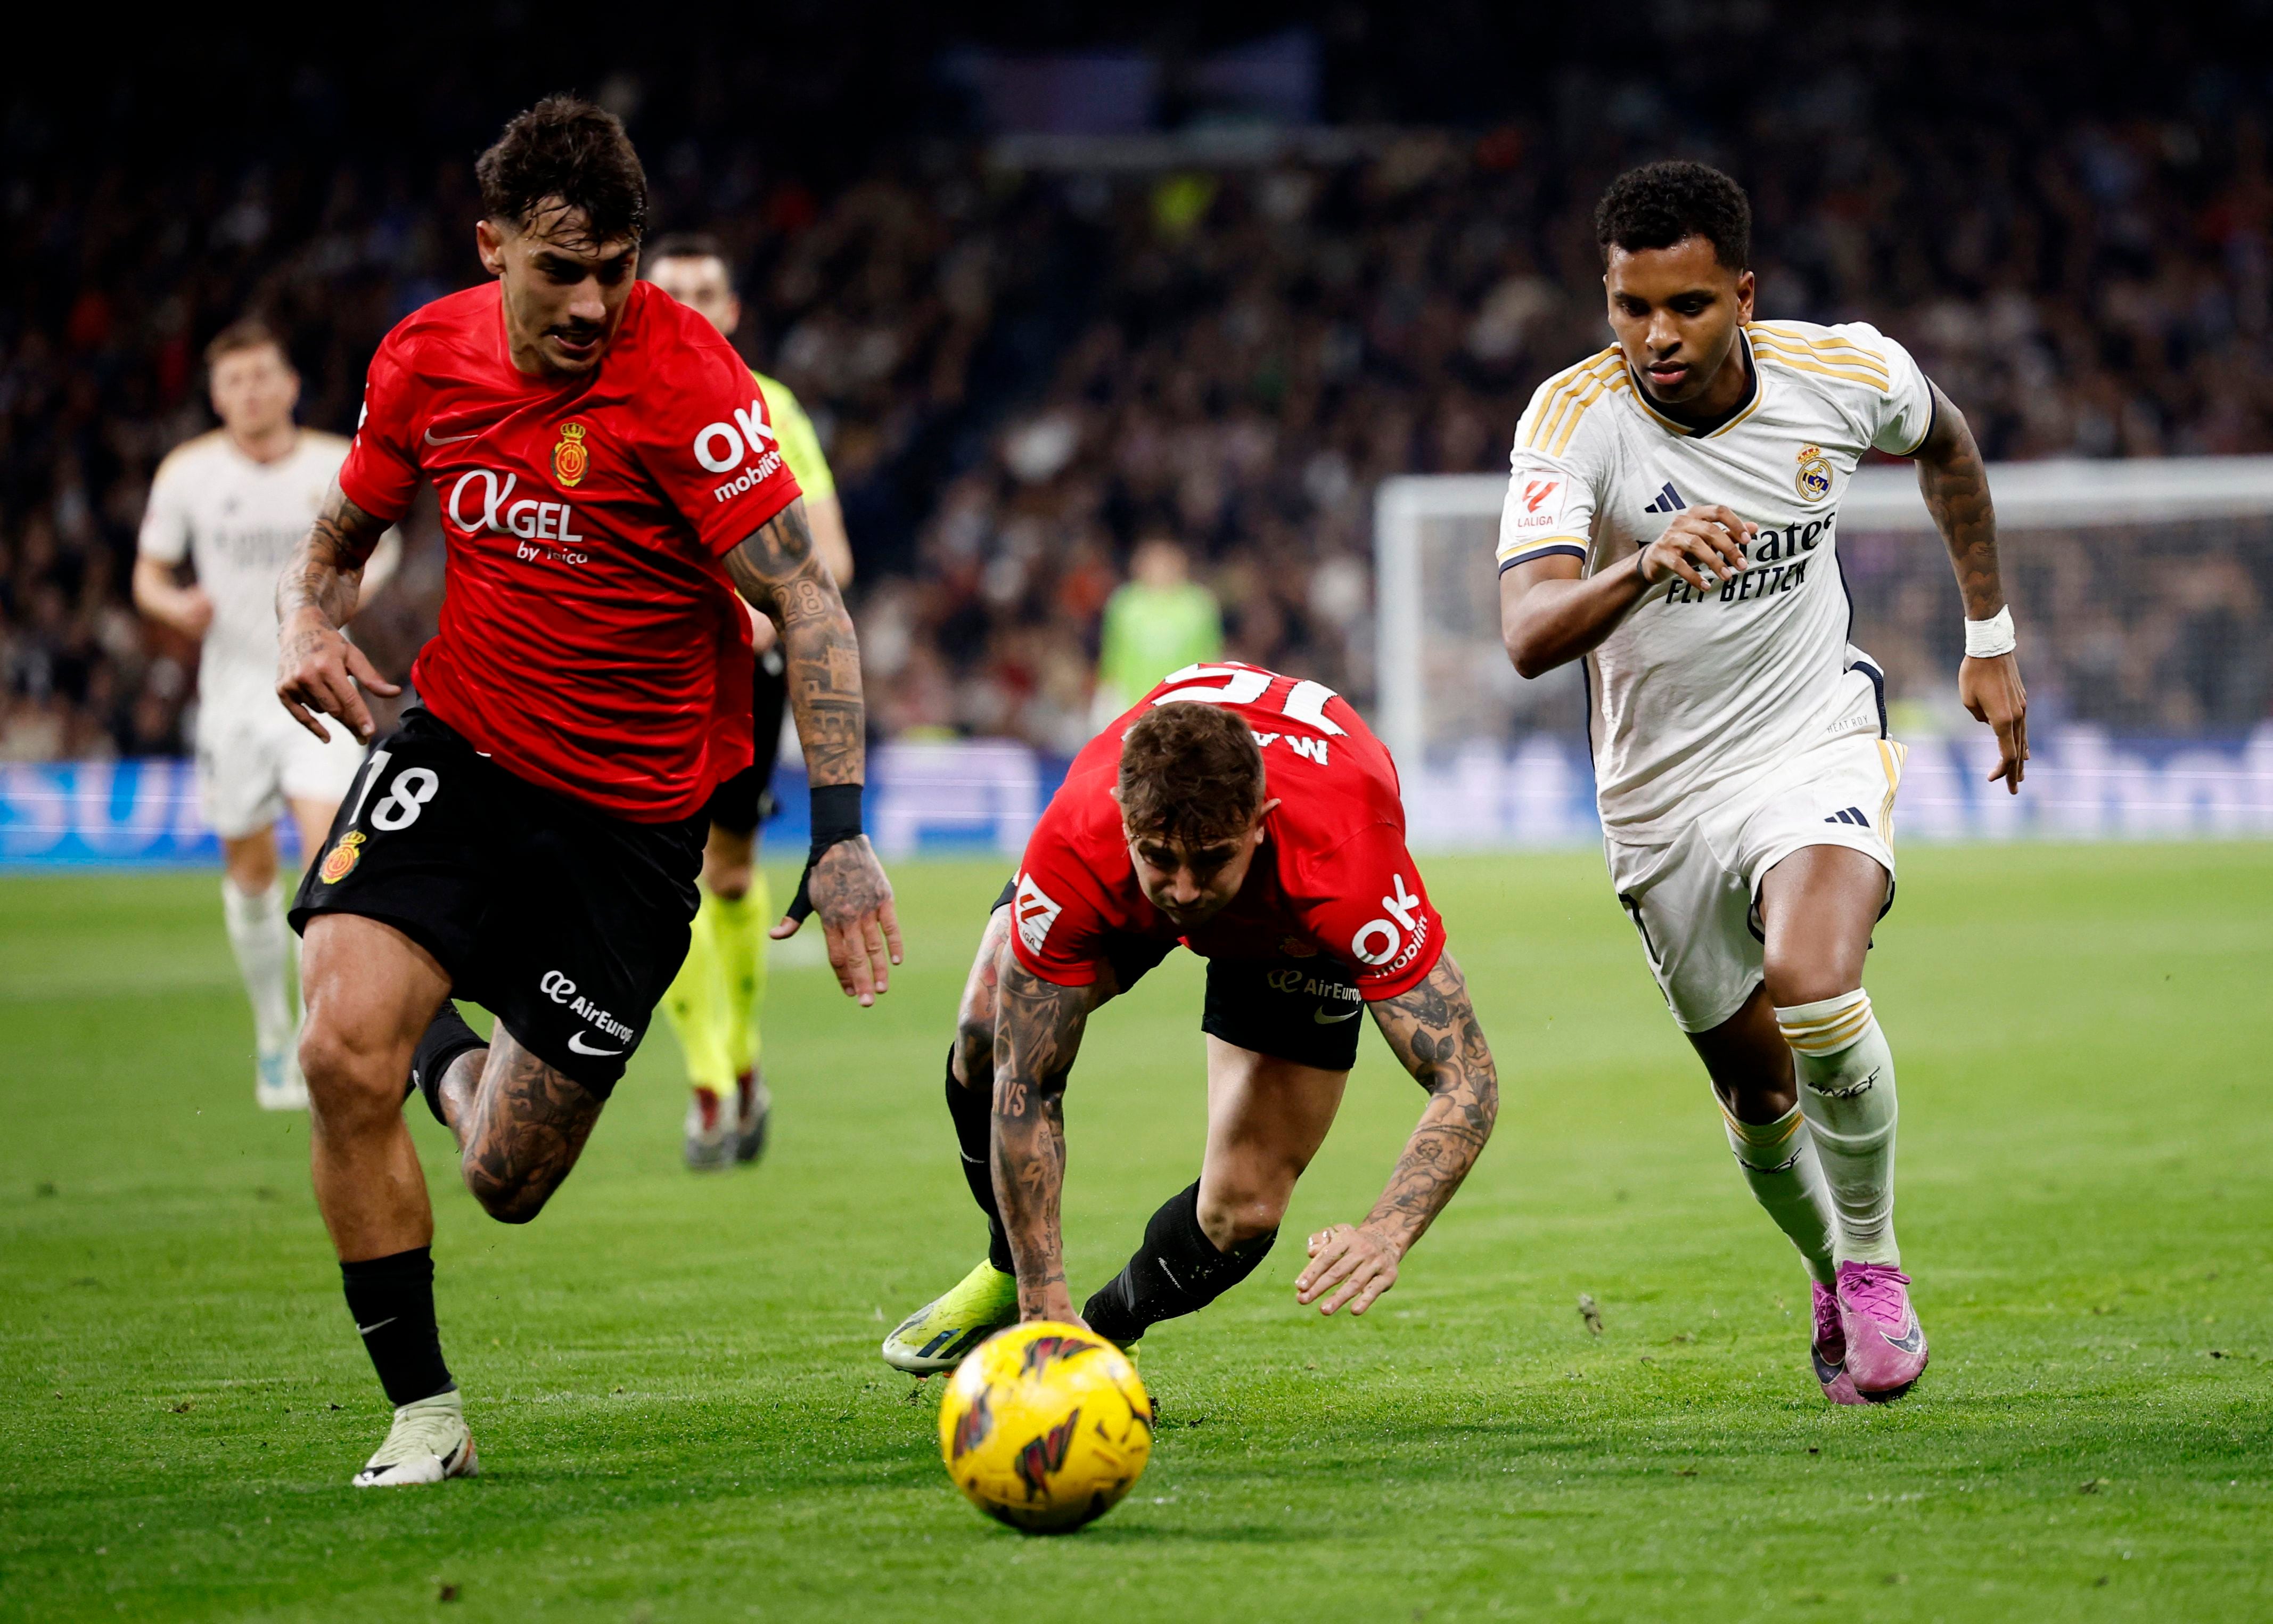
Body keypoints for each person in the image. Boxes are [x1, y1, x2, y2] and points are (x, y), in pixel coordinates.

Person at [272, 97, 900, 1488]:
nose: (594, 300)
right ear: (490, 245)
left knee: (505, 1175)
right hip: (461, 750)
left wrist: (843, 836)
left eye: (615, 266)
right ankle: (424, 1416)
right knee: (334, 1052)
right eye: (562, 269)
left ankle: (447, 1058)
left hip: (631, 819)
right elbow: (340, 537)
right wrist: (306, 623)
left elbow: (808, 600)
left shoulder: (690, 384)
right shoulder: (423, 358)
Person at [1495, 162, 2028, 1404]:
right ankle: (1830, 1264)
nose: (1653, 336)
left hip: (1810, 737)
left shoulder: (1839, 373)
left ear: (1741, 293)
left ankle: (1878, 1269)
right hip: (1657, 797)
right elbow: (1523, 633)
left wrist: (1989, 638)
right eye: (1628, 307)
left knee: (1813, 980)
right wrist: (1637, 567)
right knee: (1753, 1089)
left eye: (1683, 305)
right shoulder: (1570, 420)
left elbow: (1941, 442)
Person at [881, 663, 1498, 1373]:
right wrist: (1038, 1304)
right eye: (1159, 859)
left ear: (1261, 825)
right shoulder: (1078, 834)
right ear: (1121, 814)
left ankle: (1099, 1339)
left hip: (1281, 923)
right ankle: (1008, 1273)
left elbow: (1467, 1079)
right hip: (1134, 874)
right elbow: (1029, 1084)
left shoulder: (1346, 864)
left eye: (1211, 860)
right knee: (986, 1033)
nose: (1183, 889)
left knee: (1243, 1213)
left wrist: (1387, 1230)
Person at [133, 320, 400, 1110]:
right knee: (250, 871)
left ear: (289, 384)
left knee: (330, 856)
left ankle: (329, 1032)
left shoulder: (330, 464)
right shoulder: (189, 472)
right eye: (234, 381)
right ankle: (273, 1036)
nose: (250, 392)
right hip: (233, 697)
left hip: (317, 680)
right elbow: (148, 573)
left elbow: (377, 547)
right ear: (217, 395)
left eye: (262, 377)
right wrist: (174, 603)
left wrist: (337, 604)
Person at [644, 232, 854, 1170]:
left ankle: (744, 1067)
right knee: (657, 878)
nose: (688, 304)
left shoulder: (768, 408)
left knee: (726, 876)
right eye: (670, 289)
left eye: (704, 290)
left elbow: (831, 557)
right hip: (639, 674)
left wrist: (766, 605)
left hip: (742, 673)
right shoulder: (605, 401)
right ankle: (706, 1084)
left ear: (730, 311)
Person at [1092, 536, 1222, 719]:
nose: (1159, 568)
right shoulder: (1125, 603)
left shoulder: (1198, 604)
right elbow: (1111, 654)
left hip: (1184, 705)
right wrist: (1107, 695)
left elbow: (1211, 654)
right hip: (1133, 703)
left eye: (1165, 561)